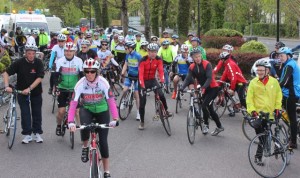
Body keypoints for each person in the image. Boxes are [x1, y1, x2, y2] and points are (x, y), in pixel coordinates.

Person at [68, 58, 119, 178]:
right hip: (88, 109)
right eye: (87, 71)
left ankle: (107, 171)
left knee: (103, 141)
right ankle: (85, 146)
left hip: (102, 110)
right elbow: (73, 104)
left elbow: (111, 101)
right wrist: (70, 121)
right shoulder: (80, 83)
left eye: (92, 71)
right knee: (84, 127)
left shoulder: (103, 82)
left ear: (97, 72)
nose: (89, 74)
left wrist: (115, 119)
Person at [2, 44, 45, 143]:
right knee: (25, 113)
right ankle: (27, 134)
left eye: (33, 54)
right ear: (25, 53)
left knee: (37, 112)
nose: (31, 55)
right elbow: (6, 73)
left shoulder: (38, 63)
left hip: (36, 92)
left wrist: (29, 88)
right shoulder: (19, 62)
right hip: (21, 92)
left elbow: (40, 78)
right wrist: (6, 86)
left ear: (35, 54)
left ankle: (37, 133)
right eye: (29, 53)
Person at [246, 59, 282, 165]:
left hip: (271, 113)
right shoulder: (253, 82)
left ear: (267, 71)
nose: (259, 72)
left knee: (266, 134)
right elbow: (249, 99)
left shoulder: (274, 82)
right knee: (262, 136)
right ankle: (258, 157)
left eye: (262, 70)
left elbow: (278, 96)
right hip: (258, 115)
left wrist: (277, 108)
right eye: (258, 70)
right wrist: (252, 111)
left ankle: (276, 146)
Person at [181, 49, 224, 136]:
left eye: (199, 56)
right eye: (195, 57)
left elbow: (209, 78)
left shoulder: (207, 64)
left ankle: (209, 125)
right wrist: (182, 87)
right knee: (207, 108)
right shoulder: (192, 67)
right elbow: (188, 78)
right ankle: (214, 126)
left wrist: (203, 87)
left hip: (212, 88)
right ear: (192, 58)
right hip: (204, 89)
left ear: (201, 56)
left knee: (205, 106)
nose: (198, 58)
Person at [138, 43, 172, 130]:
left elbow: (161, 71)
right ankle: (142, 122)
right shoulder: (143, 60)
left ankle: (166, 110)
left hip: (152, 80)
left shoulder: (158, 59)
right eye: (151, 51)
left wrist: (163, 81)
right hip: (143, 81)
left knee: (161, 94)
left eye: (155, 52)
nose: (153, 53)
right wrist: (142, 86)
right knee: (142, 103)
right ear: (148, 51)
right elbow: (140, 75)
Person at [53, 42, 83, 136]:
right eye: (66, 51)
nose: (68, 53)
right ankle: (58, 125)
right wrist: (55, 86)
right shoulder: (60, 61)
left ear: (74, 51)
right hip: (62, 88)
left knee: (77, 112)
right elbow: (55, 76)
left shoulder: (79, 61)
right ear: (64, 51)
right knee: (61, 111)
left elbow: (82, 76)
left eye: (70, 51)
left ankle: (82, 132)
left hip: (74, 89)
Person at [278, 47, 300, 149]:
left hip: (290, 95)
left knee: (292, 119)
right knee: (289, 116)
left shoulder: (289, 66)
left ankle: (293, 142)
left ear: (288, 56)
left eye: (282, 55)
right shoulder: (289, 63)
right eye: (279, 56)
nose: (280, 57)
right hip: (292, 93)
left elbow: (284, 82)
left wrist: (274, 88)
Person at [218, 51, 248, 117]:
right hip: (236, 82)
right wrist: (218, 85)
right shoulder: (227, 65)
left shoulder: (230, 64)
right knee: (228, 93)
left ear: (224, 59)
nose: (220, 61)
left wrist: (232, 89)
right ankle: (233, 106)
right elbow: (224, 76)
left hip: (241, 83)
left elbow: (233, 78)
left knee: (242, 98)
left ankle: (251, 112)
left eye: (221, 59)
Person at [120, 41, 142, 120]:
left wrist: (141, 77)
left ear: (131, 48)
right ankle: (123, 101)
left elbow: (141, 67)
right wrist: (122, 73)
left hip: (137, 77)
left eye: (126, 48)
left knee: (136, 95)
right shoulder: (127, 55)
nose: (125, 49)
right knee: (125, 89)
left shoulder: (138, 56)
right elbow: (126, 64)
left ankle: (138, 112)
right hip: (130, 76)